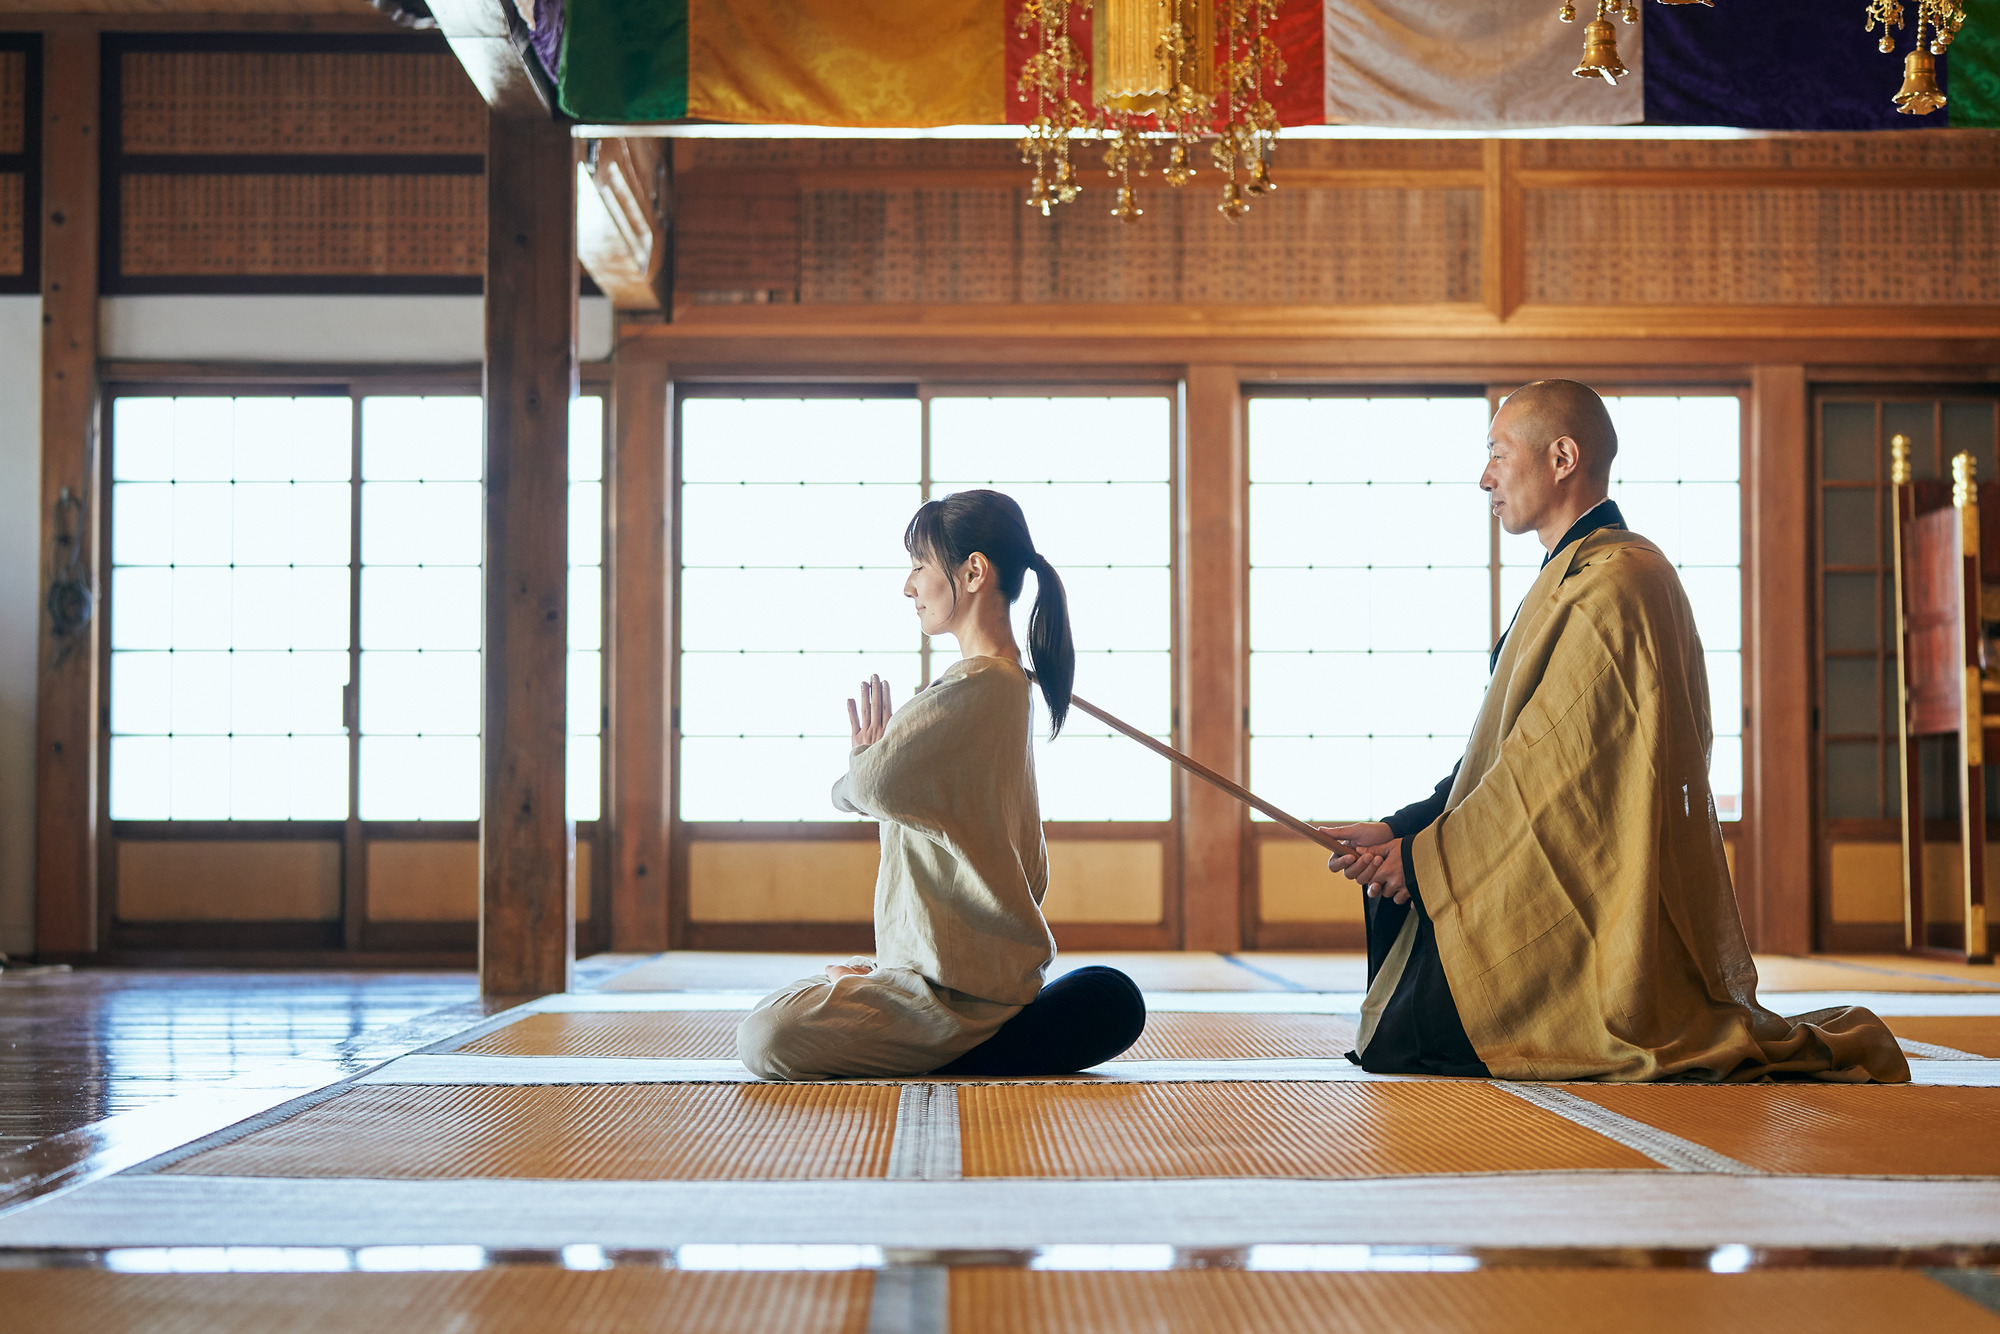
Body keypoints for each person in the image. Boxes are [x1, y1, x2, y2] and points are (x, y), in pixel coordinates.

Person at [1324, 380, 1907, 1083]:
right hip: (1530, 859)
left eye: (1498, 455)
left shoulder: (1622, 580)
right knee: (1405, 1030)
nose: (1485, 478)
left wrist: (1423, 860)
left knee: (1415, 1039)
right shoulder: (1571, 574)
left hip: (1595, 887)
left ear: (1562, 456)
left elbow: (1552, 774)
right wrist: (1402, 831)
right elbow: (1507, 755)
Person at [737, 489, 1147, 1080]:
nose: (909, 587)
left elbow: (864, 786)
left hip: (952, 995)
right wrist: (871, 766)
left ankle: (964, 1046)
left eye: (919, 566)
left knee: (767, 1036)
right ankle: (977, 1039)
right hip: (939, 977)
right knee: (785, 1015)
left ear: (973, 571)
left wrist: (862, 761)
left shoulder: (975, 689)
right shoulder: (1001, 689)